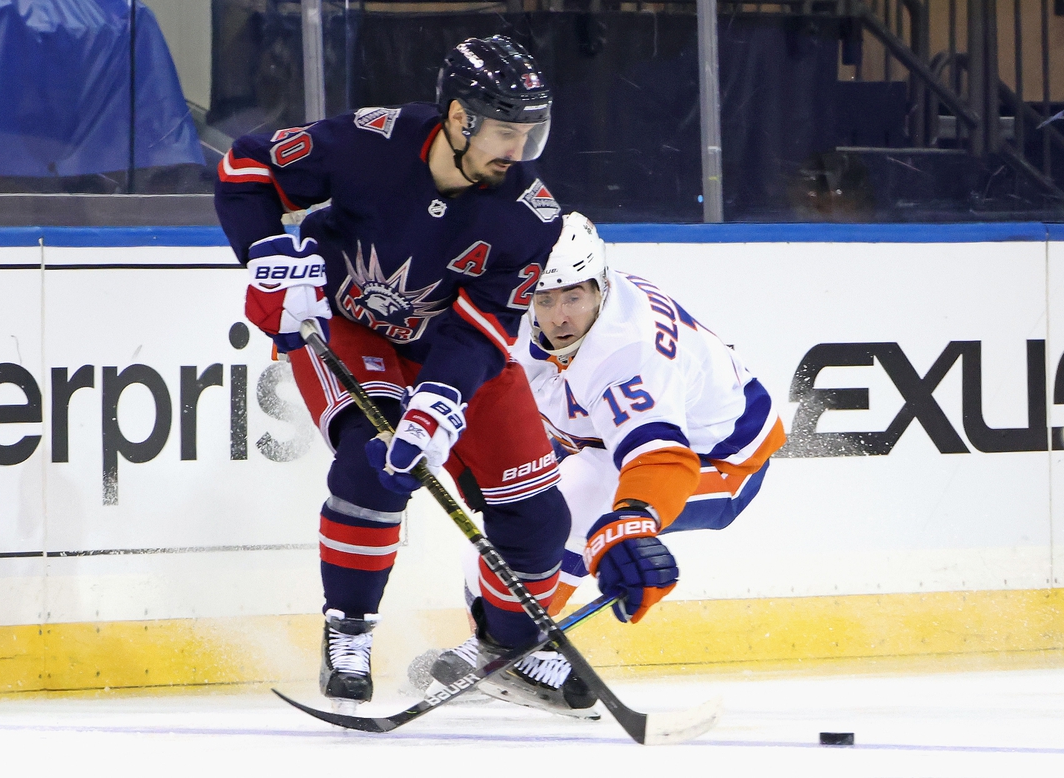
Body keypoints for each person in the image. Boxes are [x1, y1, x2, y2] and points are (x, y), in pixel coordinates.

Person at [214, 35, 593, 714]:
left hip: (448, 348)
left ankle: (509, 647)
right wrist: (268, 248)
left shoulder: (532, 216)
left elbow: (479, 329)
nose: (519, 150)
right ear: (457, 118)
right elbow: (246, 167)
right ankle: (349, 633)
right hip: (346, 322)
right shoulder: (371, 140)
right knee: (371, 461)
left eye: (531, 133)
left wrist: (438, 404)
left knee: (539, 521)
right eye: (506, 131)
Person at [428, 213, 785, 692]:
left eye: (573, 296)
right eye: (545, 298)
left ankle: (518, 646)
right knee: (516, 520)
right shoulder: (513, 312)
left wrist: (635, 518)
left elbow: (658, 457)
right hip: (598, 443)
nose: (558, 316)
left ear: (600, 286)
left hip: (716, 462)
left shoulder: (626, 352)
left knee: (589, 488)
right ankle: (493, 640)